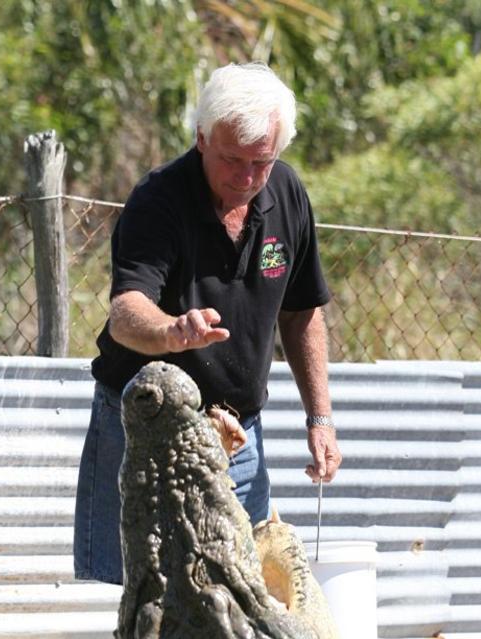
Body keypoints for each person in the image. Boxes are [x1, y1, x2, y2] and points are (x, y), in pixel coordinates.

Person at [74, 61, 341, 585]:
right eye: (231, 159)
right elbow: (127, 311)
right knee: (126, 590)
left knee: (241, 595)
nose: (245, 178)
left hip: (239, 438)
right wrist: (171, 332)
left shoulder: (287, 194)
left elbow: (303, 310)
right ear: (201, 138)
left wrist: (320, 418)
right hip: (143, 433)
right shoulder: (158, 201)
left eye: (260, 163)